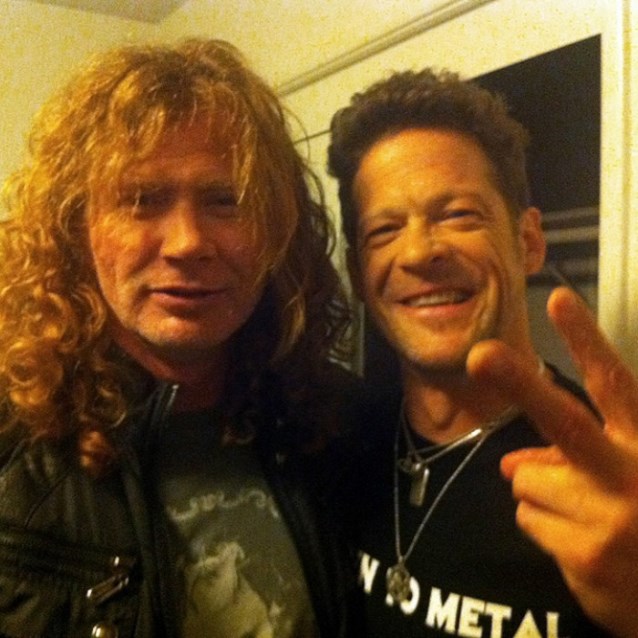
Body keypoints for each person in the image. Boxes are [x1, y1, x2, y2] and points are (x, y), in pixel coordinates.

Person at [0, 39, 361, 638]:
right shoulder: (13, 445)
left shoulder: (330, 423)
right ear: (75, 227)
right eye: (143, 200)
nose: (188, 242)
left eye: (226, 201)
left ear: (276, 228)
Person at [326, 67, 638, 637]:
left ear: (528, 241)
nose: (418, 252)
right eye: (383, 231)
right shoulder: (338, 443)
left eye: (458, 215)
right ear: (358, 272)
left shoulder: (609, 481)